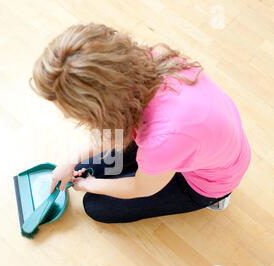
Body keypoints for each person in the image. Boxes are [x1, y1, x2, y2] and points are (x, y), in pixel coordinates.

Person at [29, 23, 251, 223]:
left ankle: (216, 199)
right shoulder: (147, 61)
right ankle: (151, 166)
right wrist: (71, 161)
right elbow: (117, 131)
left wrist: (88, 184)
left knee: (96, 206)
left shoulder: (164, 138)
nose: (68, 117)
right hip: (184, 142)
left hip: (206, 179)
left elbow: (140, 188)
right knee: (89, 167)